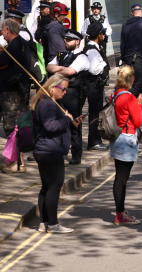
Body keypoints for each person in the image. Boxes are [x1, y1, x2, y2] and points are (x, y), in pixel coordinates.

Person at [45, 29, 103, 164]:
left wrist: (58, 69)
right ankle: (60, 150)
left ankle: (76, 154)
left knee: (74, 124)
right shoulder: (61, 55)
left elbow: (71, 71)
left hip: (73, 95)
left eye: (69, 39)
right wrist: (61, 69)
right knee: (57, 122)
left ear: (77, 41)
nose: (66, 41)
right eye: (65, 39)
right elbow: (49, 67)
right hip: (57, 93)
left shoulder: (82, 57)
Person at [32, 74, 76, 233]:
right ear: (52, 88)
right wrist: (66, 120)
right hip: (50, 150)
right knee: (54, 187)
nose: (65, 92)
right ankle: (52, 223)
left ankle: (44, 222)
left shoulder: (46, 103)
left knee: (46, 186)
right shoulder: (48, 105)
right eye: (63, 89)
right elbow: (50, 126)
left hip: (45, 149)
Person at [109, 64, 142, 226]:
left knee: (119, 176)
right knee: (122, 178)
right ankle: (120, 213)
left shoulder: (115, 94)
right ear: (131, 79)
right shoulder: (129, 97)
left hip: (116, 137)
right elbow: (138, 121)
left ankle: (120, 211)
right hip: (127, 137)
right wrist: (140, 104)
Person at [1, 18, 32, 169]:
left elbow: (2, 62)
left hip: (12, 92)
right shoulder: (21, 44)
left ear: (7, 30)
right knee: (17, 125)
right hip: (19, 89)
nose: (2, 32)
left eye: (3, 29)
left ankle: (16, 162)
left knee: (11, 126)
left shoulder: (14, 47)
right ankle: (17, 160)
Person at [78, 21, 110, 150]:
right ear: (99, 35)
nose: (104, 35)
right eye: (102, 33)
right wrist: (103, 64)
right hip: (93, 86)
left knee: (96, 113)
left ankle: (95, 139)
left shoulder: (96, 47)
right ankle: (93, 141)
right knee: (94, 113)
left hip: (95, 86)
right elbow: (93, 69)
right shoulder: (92, 50)